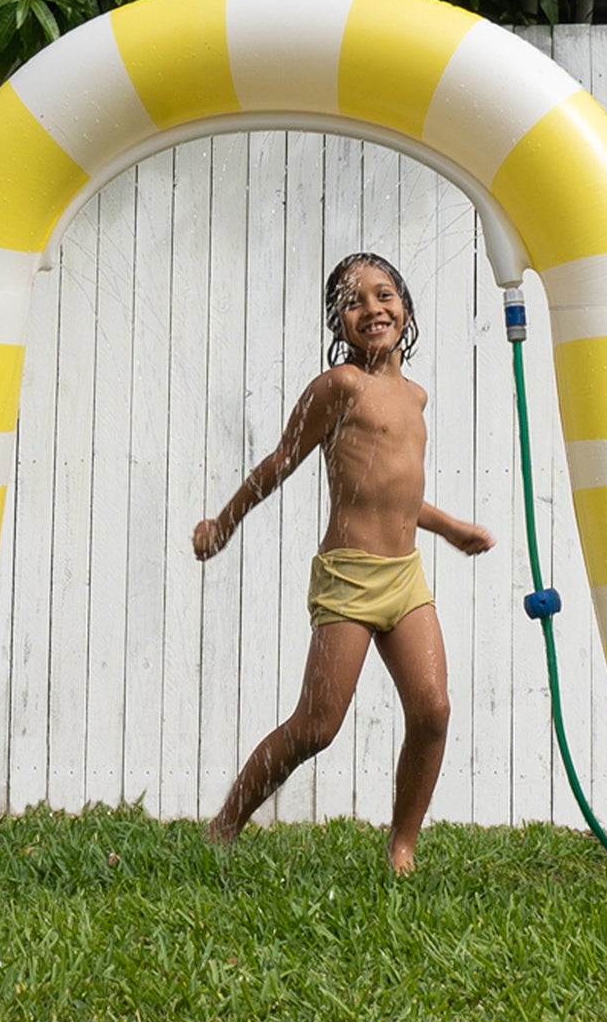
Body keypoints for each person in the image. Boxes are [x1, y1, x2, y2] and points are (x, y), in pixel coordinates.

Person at [192, 253, 493, 875]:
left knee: (432, 710)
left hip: (404, 577)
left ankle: (401, 848)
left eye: (384, 294)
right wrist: (222, 523)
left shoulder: (415, 396)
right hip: (350, 577)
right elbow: (281, 461)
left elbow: (397, 494)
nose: (372, 309)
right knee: (317, 726)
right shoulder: (339, 388)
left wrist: (450, 528)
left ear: (405, 306)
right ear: (338, 324)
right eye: (354, 302)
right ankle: (224, 826)